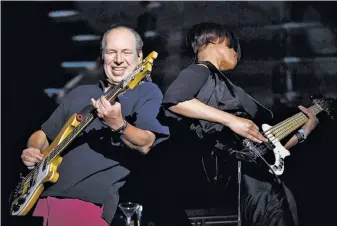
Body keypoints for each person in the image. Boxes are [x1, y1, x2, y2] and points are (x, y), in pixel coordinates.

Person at [156, 22, 319, 226]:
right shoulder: (200, 71)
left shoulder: (222, 85)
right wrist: (232, 120)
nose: (237, 54)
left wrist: (303, 132)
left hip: (262, 182)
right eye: (233, 46)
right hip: (248, 188)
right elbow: (174, 99)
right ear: (215, 39)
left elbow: (266, 151)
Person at [20, 25, 169, 226]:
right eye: (111, 52)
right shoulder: (80, 93)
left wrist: (119, 125)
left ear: (140, 56)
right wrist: (32, 149)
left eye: (126, 52)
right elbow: (43, 134)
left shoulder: (147, 92)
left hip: (83, 206)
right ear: (102, 56)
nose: (118, 60)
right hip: (39, 201)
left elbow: (146, 142)